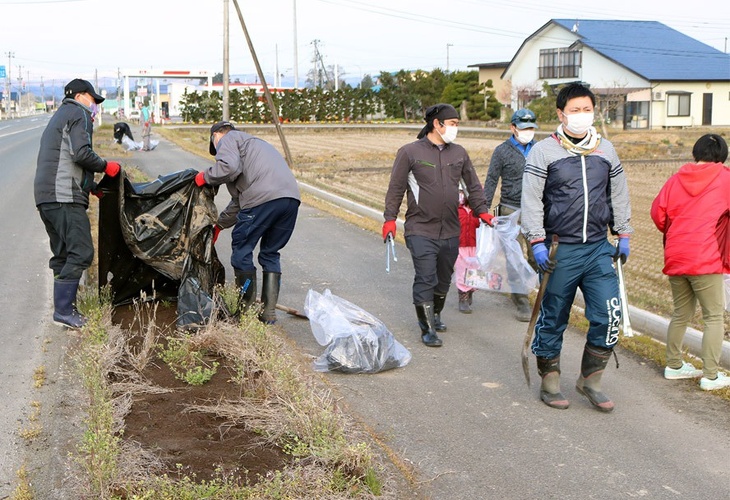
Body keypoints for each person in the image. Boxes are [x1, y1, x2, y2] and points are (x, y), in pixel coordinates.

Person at [521, 83, 632, 412]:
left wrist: (623, 233)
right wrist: (537, 240)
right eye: (575, 110)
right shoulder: (544, 152)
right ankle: (550, 378)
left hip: (598, 248)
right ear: (561, 113)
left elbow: (619, 194)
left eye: (587, 110)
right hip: (559, 249)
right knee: (554, 316)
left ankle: (590, 379)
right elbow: (531, 200)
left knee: (610, 315)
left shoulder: (605, 150)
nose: (582, 116)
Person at [382, 103, 494, 347]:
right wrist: (390, 219)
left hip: (451, 229)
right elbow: (396, 188)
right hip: (420, 228)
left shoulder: (459, 153)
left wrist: (483, 211)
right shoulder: (410, 152)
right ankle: (427, 329)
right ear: (437, 124)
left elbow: (473, 185)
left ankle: (435, 313)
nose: (455, 129)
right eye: (452, 124)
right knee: (426, 277)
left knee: (444, 278)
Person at [34, 78, 121, 328]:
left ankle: (64, 309)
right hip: (64, 196)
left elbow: (64, 159)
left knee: (62, 254)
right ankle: (64, 310)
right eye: (93, 100)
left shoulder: (60, 115)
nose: (94, 105)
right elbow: (81, 153)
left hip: (46, 197)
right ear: (82, 95)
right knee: (82, 251)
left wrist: (91, 187)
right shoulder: (79, 113)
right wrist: (107, 166)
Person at [195, 121, 300, 324]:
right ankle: (268, 313)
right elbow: (239, 202)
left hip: (262, 198)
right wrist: (219, 225)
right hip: (290, 200)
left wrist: (204, 177)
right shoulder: (254, 145)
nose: (217, 151)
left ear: (216, 135)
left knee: (242, 249)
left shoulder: (228, 138)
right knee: (270, 253)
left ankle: (245, 312)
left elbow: (228, 167)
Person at [650, 134, 730, 391]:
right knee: (714, 316)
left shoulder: (676, 179)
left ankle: (673, 365)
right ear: (722, 156)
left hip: (676, 253)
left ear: (696, 153)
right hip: (706, 256)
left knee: (681, 313)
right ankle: (711, 374)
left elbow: (657, 213)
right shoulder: (725, 178)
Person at [483, 108, 539, 322]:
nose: (528, 132)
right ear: (513, 128)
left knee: (537, 255)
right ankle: (521, 300)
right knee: (514, 258)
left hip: (536, 210)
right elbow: (491, 180)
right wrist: (483, 209)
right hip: (510, 209)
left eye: (532, 128)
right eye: (524, 128)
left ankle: (534, 289)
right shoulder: (502, 151)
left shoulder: (540, 150)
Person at [455, 187, 480, 313]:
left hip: (474, 246)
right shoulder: (458, 210)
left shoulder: (478, 212)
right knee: (462, 270)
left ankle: (470, 290)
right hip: (461, 246)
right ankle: (463, 296)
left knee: (473, 269)